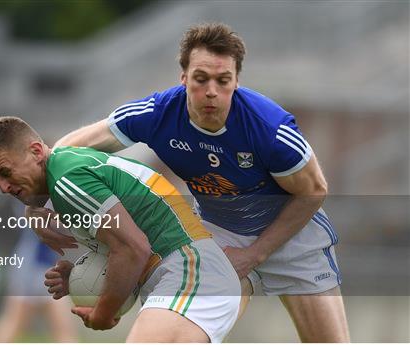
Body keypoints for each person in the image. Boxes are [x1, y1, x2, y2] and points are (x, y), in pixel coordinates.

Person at [50, 22, 350, 342]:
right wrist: (45, 204)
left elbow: (315, 191)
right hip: (216, 236)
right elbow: (65, 152)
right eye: (200, 79)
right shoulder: (158, 114)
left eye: (223, 81)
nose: (211, 91)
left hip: (293, 239)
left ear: (236, 81)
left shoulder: (270, 130)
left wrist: (256, 254)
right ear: (183, 78)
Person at [0, 116, 243, 342]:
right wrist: (80, 276)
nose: (4, 187)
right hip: (188, 273)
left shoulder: (67, 180)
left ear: (36, 152)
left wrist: (103, 312)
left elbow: (133, 249)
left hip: (191, 272)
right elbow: (128, 245)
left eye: (5, 172)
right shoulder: (67, 167)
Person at [0, 200, 78, 343]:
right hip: (32, 266)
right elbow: (55, 223)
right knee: (14, 323)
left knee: (63, 329)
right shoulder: (33, 195)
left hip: (42, 265)